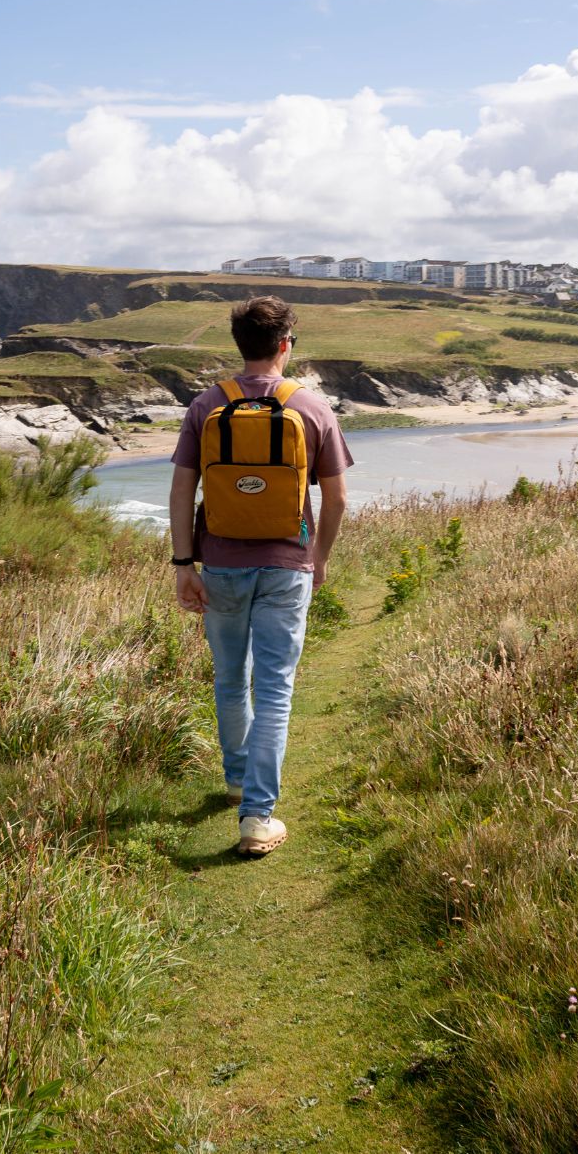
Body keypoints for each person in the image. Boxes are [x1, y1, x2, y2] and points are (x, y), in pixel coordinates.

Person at [168, 295, 352, 858]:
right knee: (274, 686)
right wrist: (318, 557)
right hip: (286, 564)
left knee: (229, 677)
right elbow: (338, 498)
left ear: (240, 344)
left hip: (220, 562)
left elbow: (181, 491)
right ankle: (257, 815)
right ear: (285, 346)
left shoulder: (206, 405)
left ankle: (235, 779)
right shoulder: (313, 408)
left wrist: (183, 565)